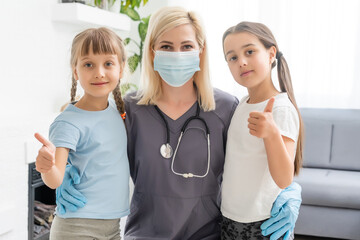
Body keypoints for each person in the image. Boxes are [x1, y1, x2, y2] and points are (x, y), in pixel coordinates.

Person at [35, 6, 302, 240]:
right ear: (152, 52)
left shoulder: (226, 108)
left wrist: (290, 190)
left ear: (200, 50)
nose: (177, 54)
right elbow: (92, 133)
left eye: (186, 46)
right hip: (144, 234)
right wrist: (67, 168)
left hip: (208, 234)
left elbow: (254, 158)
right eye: (166, 46)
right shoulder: (129, 109)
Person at [34, 27, 130, 239]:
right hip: (76, 229)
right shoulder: (69, 122)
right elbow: (55, 179)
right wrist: (47, 168)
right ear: (76, 71)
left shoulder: (118, 111)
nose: (99, 72)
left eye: (108, 63)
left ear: (121, 69)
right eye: (88, 64)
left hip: (113, 227)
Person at [220, 21, 303, 240]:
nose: (242, 62)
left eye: (249, 51)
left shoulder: (282, 108)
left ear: (271, 53)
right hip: (230, 218)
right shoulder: (241, 104)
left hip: (262, 223)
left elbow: (285, 179)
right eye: (233, 57)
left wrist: (272, 134)